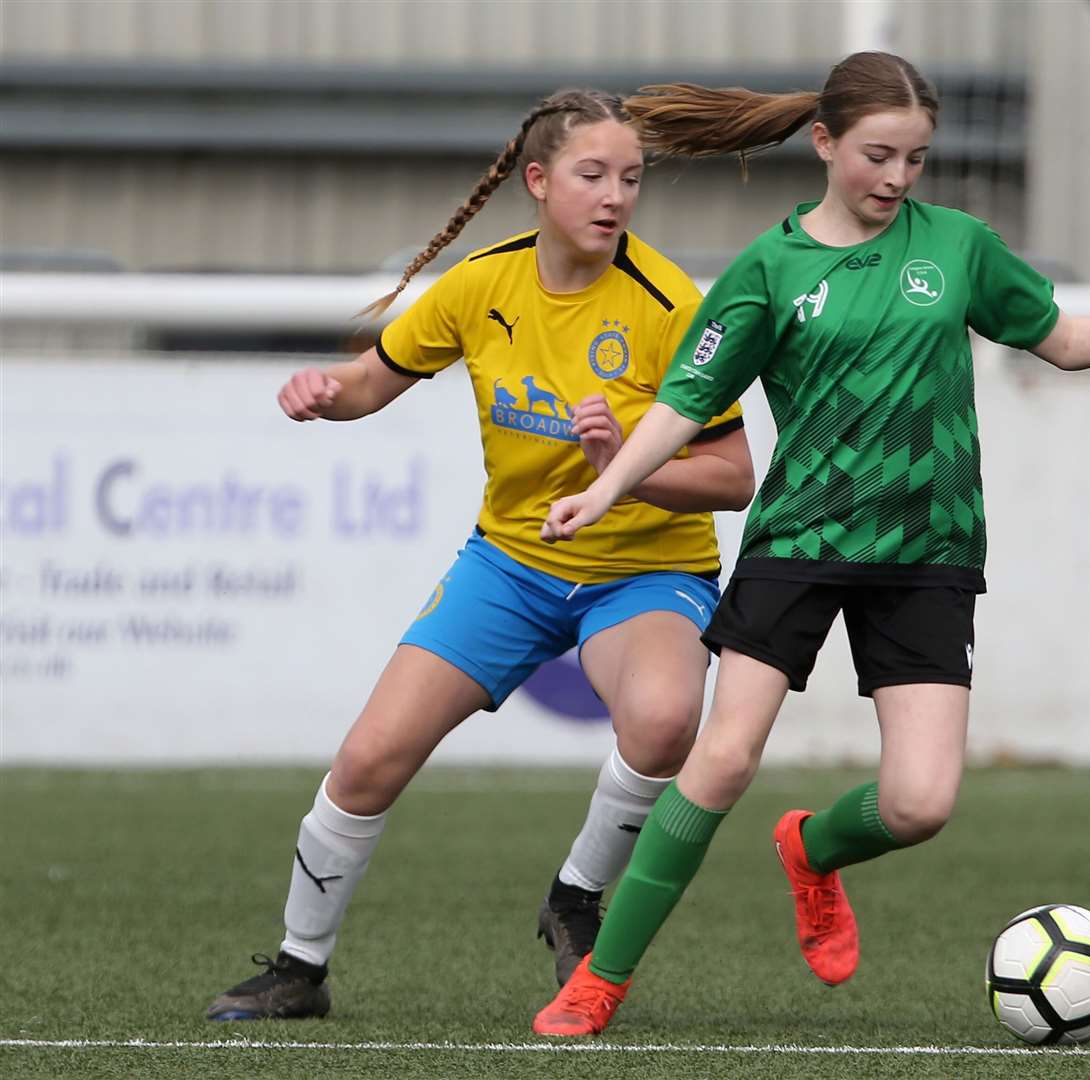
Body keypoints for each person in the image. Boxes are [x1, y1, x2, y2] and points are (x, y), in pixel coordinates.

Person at [529, 52, 1090, 1036]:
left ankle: (811, 851)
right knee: (721, 759)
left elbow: (1062, 339)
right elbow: (683, 404)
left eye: (915, 160)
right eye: (878, 155)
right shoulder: (768, 269)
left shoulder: (959, 248)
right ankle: (599, 981)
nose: (895, 177)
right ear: (825, 143)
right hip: (798, 538)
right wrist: (608, 486)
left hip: (928, 548)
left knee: (920, 803)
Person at [204, 88, 755, 1021]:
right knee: (370, 758)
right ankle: (299, 969)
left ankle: (574, 899)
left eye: (631, 178)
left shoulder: (669, 305)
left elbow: (733, 477)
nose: (615, 195)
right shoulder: (480, 284)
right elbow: (372, 382)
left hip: (645, 570)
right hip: (511, 564)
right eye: (592, 175)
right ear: (538, 182)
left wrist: (622, 465)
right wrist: (321, 391)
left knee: (664, 721)